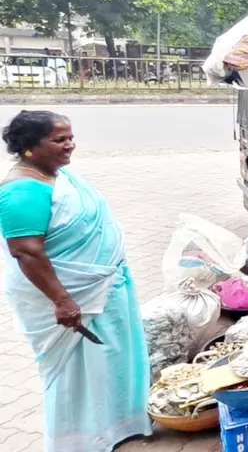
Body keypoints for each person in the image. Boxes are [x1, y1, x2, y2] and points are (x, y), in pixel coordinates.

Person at [0, 111, 151, 451]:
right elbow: (26, 252)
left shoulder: (59, 177)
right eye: (59, 140)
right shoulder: (22, 189)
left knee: (110, 358)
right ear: (29, 147)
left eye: (70, 137)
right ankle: (81, 439)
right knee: (78, 372)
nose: (70, 145)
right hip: (66, 297)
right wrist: (63, 300)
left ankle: (118, 425)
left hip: (101, 288)